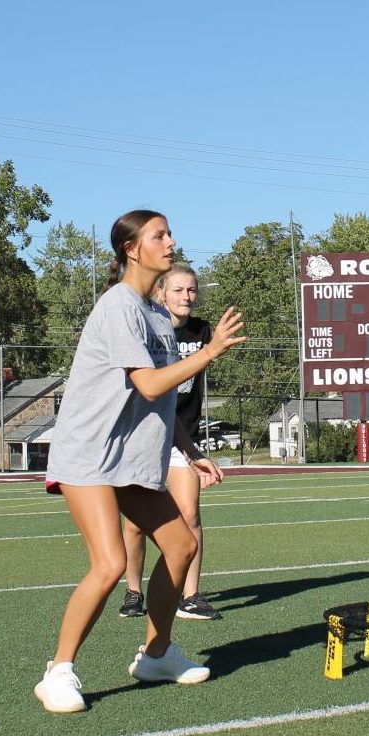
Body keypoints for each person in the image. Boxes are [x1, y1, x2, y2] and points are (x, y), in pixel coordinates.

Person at [34, 210, 245, 713]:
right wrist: (211, 350)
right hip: (88, 453)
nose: (171, 241)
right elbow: (148, 383)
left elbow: (161, 400)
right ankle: (58, 671)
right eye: (159, 235)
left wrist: (191, 451)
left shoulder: (155, 316)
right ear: (132, 249)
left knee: (180, 545)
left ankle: (155, 653)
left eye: (170, 232)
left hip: (127, 458)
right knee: (108, 564)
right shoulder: (118, 305)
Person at [119, 263, 222, 622]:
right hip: (145, 433)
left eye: (192, 290)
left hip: (183, 433)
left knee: (190, 513)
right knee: (135, 522)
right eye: (178, 290)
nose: (186, 296)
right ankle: (134, 590)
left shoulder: (203, 330)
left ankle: (190, 595)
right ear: (161, 292)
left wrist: (192, 447)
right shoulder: (147, 327)